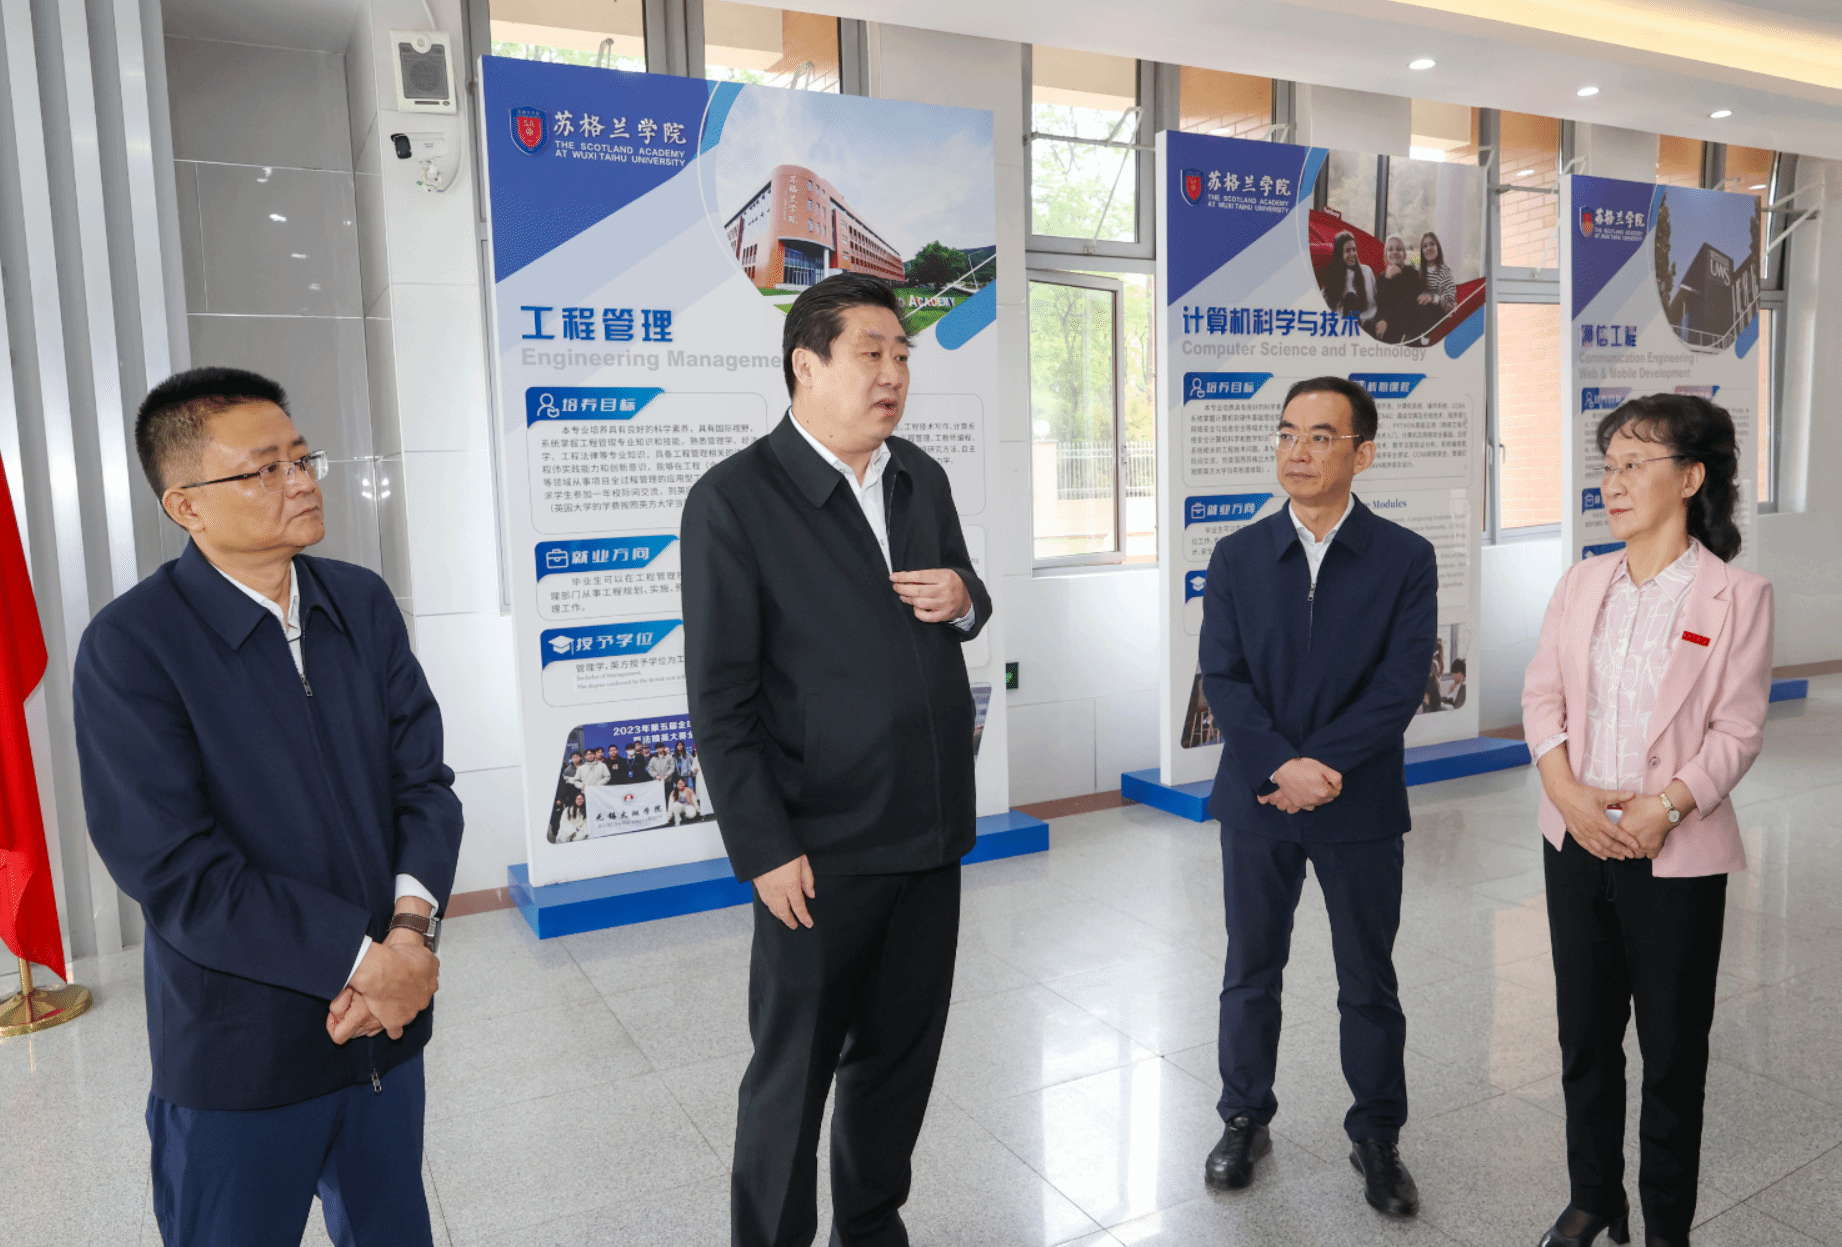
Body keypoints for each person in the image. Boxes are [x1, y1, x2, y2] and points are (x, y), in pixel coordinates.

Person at [72, 367, 461, 1247]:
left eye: (302, 457)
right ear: (186, 506)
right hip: (241, 1058)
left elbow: (424, 786)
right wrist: (362, 961)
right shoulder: (133, 646)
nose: (302, 481)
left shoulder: (359, 601)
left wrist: (409, 938)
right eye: (264, 469)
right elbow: (177, 870)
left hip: (383, 1032)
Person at [681, 271, 990, 1247]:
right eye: (871, 353)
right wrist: (765, 846)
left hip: (928, 830)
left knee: (898, 1061)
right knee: (792, 1072)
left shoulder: (917, 476)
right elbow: (720, 699)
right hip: (818, 849)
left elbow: (964, 589)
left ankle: (871, 1227)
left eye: (902, 354)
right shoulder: (734, 500)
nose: (893, 372)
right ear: (804, 365)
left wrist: (966, 596)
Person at [1522, 394, 1772, 1247]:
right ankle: (1594, 1196)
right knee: (1584, 1036)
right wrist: (1565, 791)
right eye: (1609, 466)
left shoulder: (1738, 596)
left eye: (1635, 464)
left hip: (1676, 853)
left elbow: (1738, 730)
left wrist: (1667, 807)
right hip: (1576, 839)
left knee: (1672, 1051)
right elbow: (1542, 694)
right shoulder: (1581, 581)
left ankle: (1667, 1224)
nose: (1614, 482)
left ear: (1691, 477)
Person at [1197, 376, 1437, 1218]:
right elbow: (1223, 678)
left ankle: (1377, 1134)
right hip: (1257, 801)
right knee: (1250, 969)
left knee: (1367, 978)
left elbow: (1400, 683)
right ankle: (1243, 1117)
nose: (1297, 451)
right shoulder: (1238, 555)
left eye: (1321, 436)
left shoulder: (1404, 556)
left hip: (1358, 801)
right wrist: (1280, 767)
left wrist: (1322, 764)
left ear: (1362, 454)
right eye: (1287, 433)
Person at [1372, 235, 1428, 345]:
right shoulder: (1382, 279)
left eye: (1398, 249)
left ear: (1404, 255)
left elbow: (1409, 302)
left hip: (1408, 325)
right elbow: (1382, 305)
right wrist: (1388, 279)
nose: (1394, 252)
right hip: (1390, 326)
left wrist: (1386, 320)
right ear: (1386, 255)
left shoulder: (1413, 274)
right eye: (1390, 249)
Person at [1319, 230, 1378, 328]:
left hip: (1366, 325)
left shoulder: (1366, 271)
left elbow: (1376, 301)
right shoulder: (1333, 278)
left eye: (1354, 249)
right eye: (1348, 250)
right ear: (1339, 254)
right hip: (1342, 327)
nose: (1352, 253)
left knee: (1351, 299)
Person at [1415, 232, 1457, 326]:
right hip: (1418, 320)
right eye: (1425, 246)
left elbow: (1451, 305)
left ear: (1437, 247)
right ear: (1422, 251)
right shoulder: (1418, 272)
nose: (1428, 248)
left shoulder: (1445, 272)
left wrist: (1432, 298)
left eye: (1432, 244)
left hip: (1438, 323)